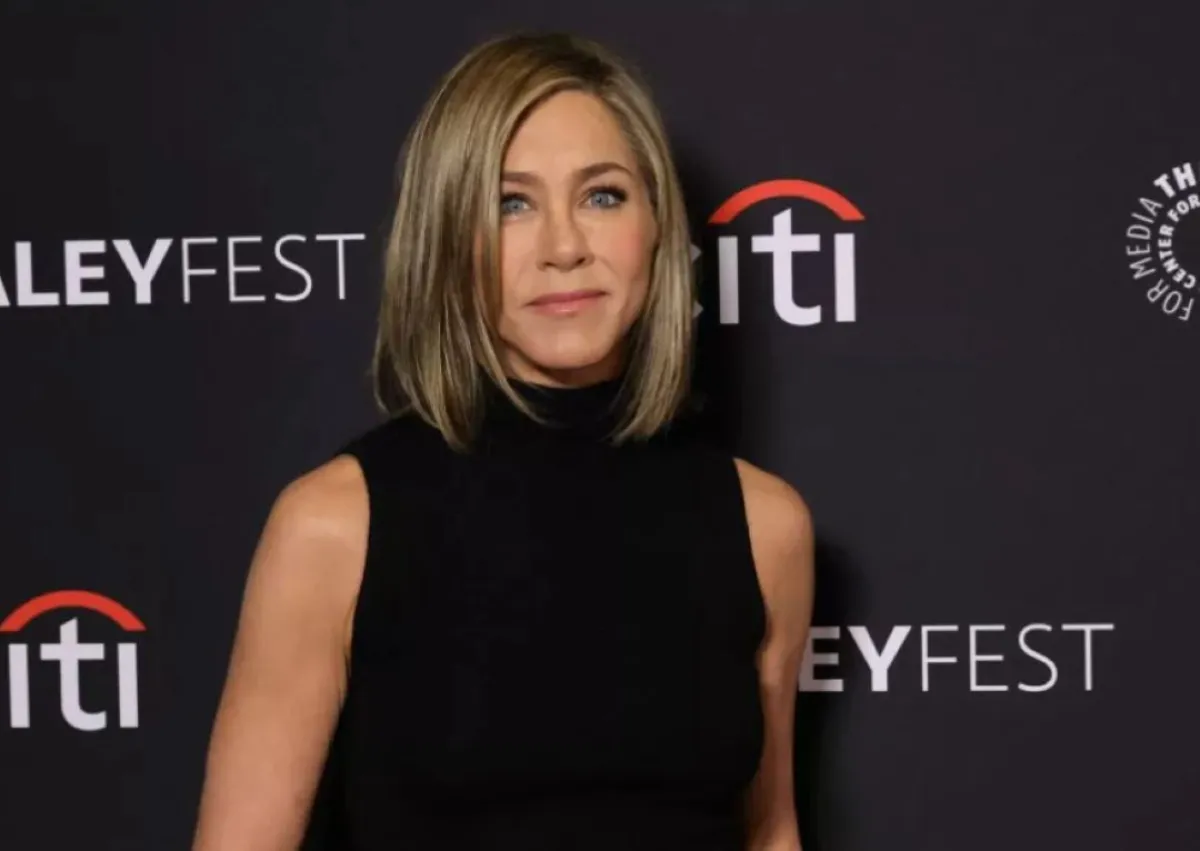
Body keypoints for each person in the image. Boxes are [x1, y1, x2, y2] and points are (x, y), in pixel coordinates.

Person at [192, 31, 814, 851]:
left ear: (659, 225)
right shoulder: (335, 526)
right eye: (510, 203)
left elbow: (769, 832)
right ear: (448, 239)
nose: (565, 247)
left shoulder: (764, 525)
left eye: (603, 196)